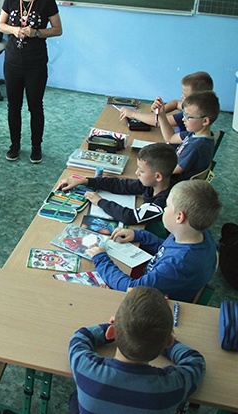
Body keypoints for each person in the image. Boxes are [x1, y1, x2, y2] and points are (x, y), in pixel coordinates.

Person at [68, 286, 206, 414]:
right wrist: (159, 339)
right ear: (168, 342)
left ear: (111, 333)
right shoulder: (171, 387)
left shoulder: (86, 369)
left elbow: (79, 338)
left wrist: (120, 328)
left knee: (76, 398)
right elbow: (195, 361)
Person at [86, 179, 221, 302]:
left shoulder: (178, 264)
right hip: (154, 281)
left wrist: (100, 258)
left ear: (179, 217)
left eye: (167, 206)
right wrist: (139, 235)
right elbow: (166, 248)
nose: (164, 209)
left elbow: (131, 288)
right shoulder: (193, 233)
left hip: (151, 302)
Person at [0, 0, 63, 164]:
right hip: (12, 61)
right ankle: (15, 145)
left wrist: (36, 32)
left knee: (35, 106)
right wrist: (14, 29)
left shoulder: (47, 1)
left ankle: (36, 146)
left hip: (35, 63)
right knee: (13, 106)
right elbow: (1, 25)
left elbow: (57, 29)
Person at [56, 143, 177, 228]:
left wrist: (100, 202)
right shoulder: (152, 184)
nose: (136, 173)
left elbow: (129, 217)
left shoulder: (163, 202)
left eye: (142, 171)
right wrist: (85, 181)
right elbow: (120, 185)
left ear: (158, 176)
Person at [154, 90, 219, 180]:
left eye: (188, 117)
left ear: (205, 121)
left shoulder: (196, 146)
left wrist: (151, 169)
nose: (183, 119)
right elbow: (170, 137)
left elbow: (174, 171)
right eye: (184, 114)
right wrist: (161, 115)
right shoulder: (196, 134)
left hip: (176, 185)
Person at [119, 71, 213, 131]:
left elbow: (158, 122)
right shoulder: (198, 106)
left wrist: (132, 114)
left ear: (196, 98)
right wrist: (161, 110)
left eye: (185, 95)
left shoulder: (190, 115)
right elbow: (176, 103)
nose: (181, 96)